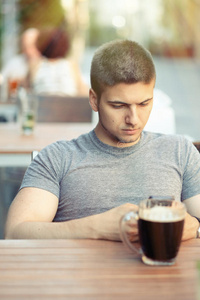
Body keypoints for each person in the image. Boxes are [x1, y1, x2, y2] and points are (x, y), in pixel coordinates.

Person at [4, 39, 200, 241]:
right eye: (118, 105)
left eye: (143, 103)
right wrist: (96, 228)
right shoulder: (58, 157)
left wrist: (195, 228)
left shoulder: (180, 151)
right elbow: (15, 233)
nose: (133, 119)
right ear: (93, 100)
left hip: (162, 270)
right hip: (82, 273)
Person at [28, 27, 88, 96]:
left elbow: (26, 89)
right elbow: (83, 92)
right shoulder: (71, 65)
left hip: (42, 104)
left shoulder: (35, 64)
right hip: (68, 104)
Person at [1, 28, 40, 101]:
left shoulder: (47, 64)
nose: (28, 50)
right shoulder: (14, 63)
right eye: (25, 46)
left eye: (31, 45)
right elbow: (2, 81)